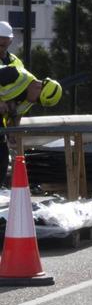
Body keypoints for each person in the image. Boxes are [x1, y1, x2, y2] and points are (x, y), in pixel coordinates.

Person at [0, 21, 63, 186]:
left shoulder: (15, 65)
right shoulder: (14, 74)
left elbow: (17, 113)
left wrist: (13, 132)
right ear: (38, 85)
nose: (34, 102)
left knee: (1, 155)